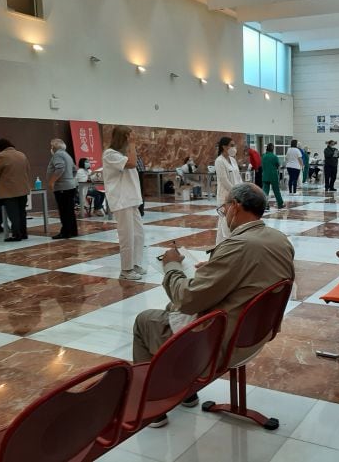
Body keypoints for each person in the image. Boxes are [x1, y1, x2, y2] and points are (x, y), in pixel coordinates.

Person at [132, 183, 295, 427]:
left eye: (224, 207)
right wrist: (213, 270)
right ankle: (186, 392)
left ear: (235, 207)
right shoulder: (279, 239)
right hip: (256, 334)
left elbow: (187, 300)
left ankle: (153, 406)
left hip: (222, 345)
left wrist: (172, 265)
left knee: (145, 321)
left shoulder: (239, 245)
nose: (224, 214)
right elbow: (247, 279)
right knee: (168, 314)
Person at [102, 126, 145, 280]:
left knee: (138, 234)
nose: (133, 140)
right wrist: (132, 145)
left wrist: (130, 147)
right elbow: (132, 163)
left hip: (132, 200)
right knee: (127, 236)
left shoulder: (122, 154)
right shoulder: (110, 154)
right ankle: (126, 270)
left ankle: (135, 264)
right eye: (130, 137)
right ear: (124, 138)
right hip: (121, 200)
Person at [0, 139, 31, 241]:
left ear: (0, 147)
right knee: (22, 212)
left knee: (13, 214)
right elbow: (28, 170)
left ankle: (16, 235)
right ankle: (23, 233)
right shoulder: (22, 154)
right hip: (23, 189)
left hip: (10, 190)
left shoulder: (1, 156)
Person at [214, 136, 243, 244]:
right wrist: (236, 192)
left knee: (232, 222)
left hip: (237, 196)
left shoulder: (233, 160)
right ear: (224, 147)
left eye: (234, 145)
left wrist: (243, 189)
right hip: (225, 196)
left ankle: (225, 245)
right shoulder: (219, 161)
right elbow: (224, 180)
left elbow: (238, 177)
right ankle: (221, 246)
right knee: (224, 222)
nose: (234, 148)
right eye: (231, 145)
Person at [261, 143, 285, 210]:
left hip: (265, 175)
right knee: (276, 190)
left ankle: (265, 205)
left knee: (265, 191)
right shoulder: (274, 157)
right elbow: (278, 165)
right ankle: (280, 204)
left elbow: (262, 165)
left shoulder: (263, 156)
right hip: (273, 176)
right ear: (273, 149)